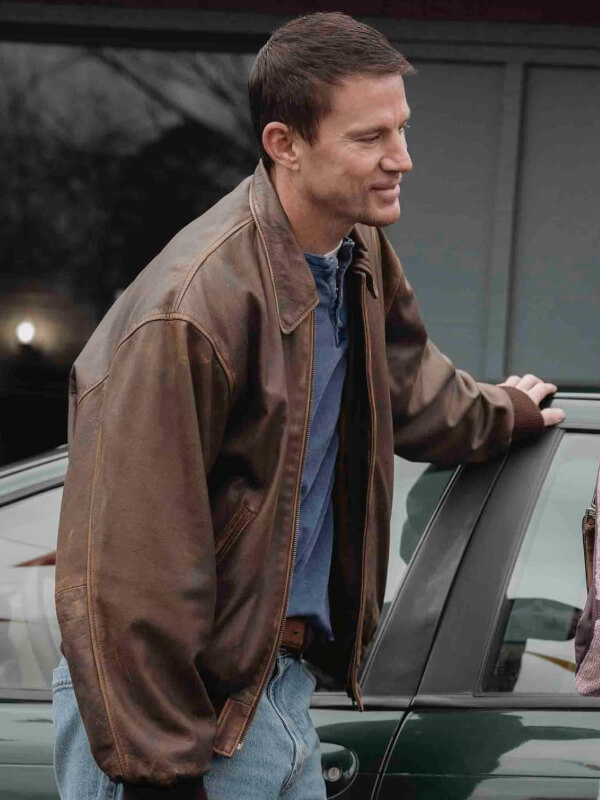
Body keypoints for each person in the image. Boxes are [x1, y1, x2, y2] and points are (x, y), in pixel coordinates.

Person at [52, 12, 565, 800]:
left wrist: (509, 413)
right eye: (370, 138)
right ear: (285, 144)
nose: (402, 157)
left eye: (401, 128)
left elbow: (413, 388)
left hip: (279, 694)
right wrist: (162, 776)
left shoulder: (354, 255)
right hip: (182, 715)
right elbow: (127, 574)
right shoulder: (191, 311)